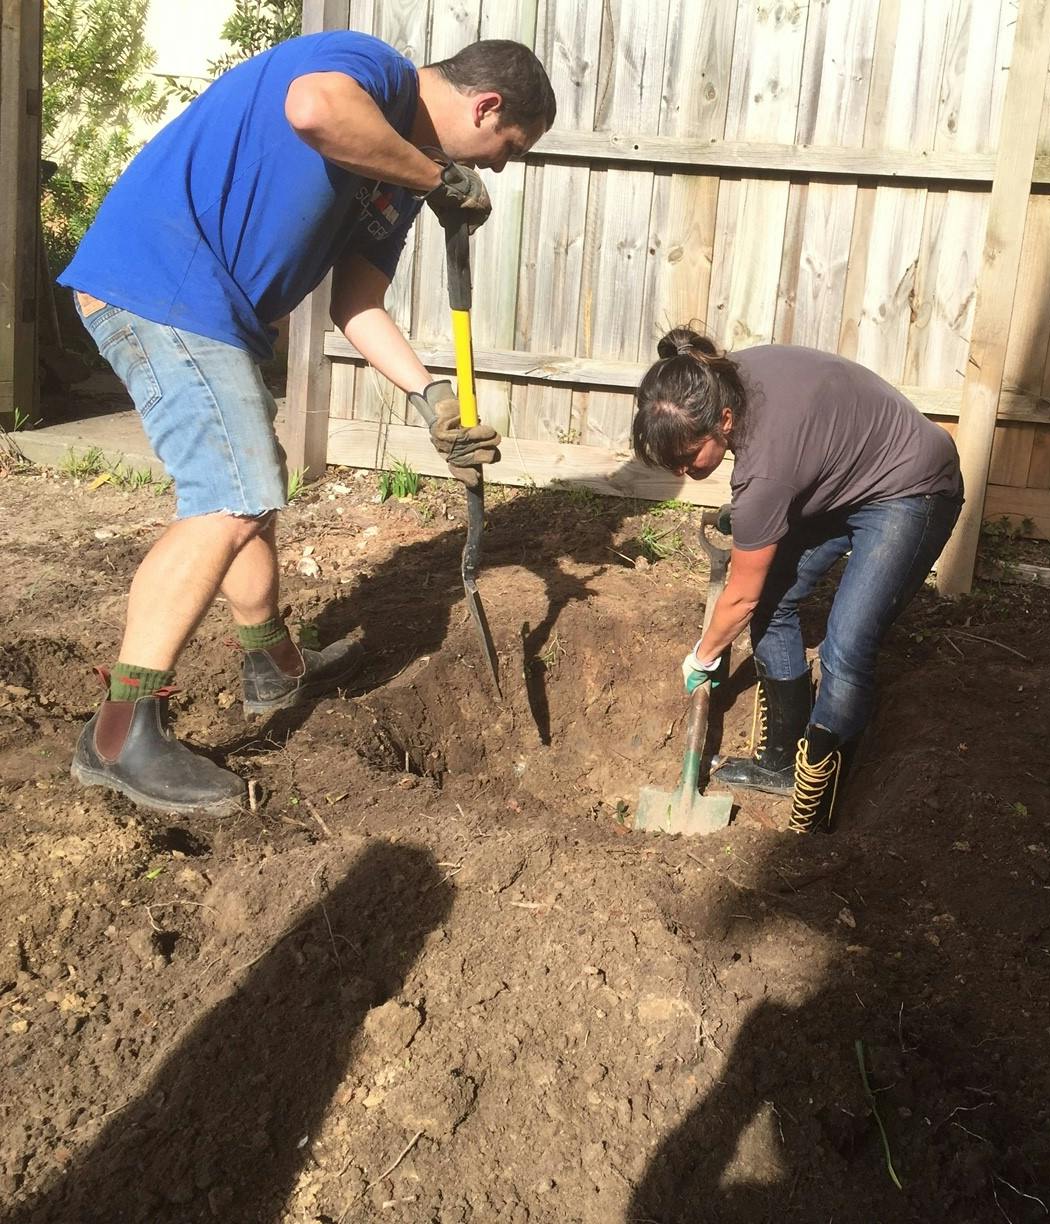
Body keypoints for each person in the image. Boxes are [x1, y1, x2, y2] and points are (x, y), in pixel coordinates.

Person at [59, 32, 555, 815]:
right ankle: (121, 731)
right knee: (231, 497)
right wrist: (437, 176)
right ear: (486, 106)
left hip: (211, 314)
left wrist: (431, 399)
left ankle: (272, 666)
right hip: (163, 284)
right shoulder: (371, 70)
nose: (494, 170)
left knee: (252, 484)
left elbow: (356, 303)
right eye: (505, 150)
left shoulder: (395, 187)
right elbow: (312, 109)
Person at [631, 328, 964, 832]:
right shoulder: (716, 379)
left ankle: (822, 809)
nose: (683, 470)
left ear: (723, 421)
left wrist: (703, 656)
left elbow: (739, 595)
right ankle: (781, 763)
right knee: (774, 599)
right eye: (672, 462)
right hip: (845, 476)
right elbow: (794, 460)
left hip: (912, 488)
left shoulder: (764, 468)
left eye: (687, 457)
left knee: (846, 646)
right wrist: (750, 518)